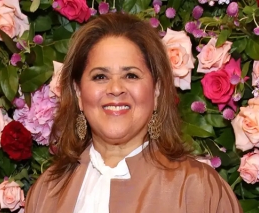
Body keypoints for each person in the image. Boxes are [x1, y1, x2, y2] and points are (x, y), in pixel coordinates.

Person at [24, 13, 243, 213]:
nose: (116, 88)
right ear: (79, 93)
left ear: (156, 90)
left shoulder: (197, 188)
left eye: (131, 75)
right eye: (100, 76)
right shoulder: (47, 191)